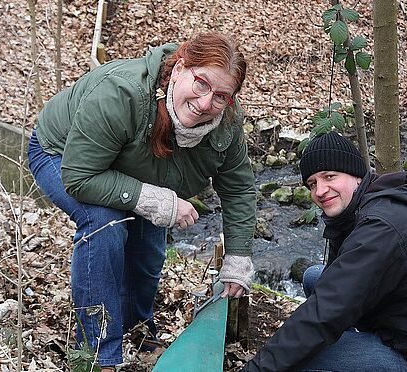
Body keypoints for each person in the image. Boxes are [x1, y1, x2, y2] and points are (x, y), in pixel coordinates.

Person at [27, 32, 256, 371]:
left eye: (221, 96)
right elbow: (80, 176)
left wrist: (238, 256)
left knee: (148, 245)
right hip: (62, 155)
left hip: (135, 168)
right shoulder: (122, 94)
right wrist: (151, 198)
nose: (207, 103)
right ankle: (98, 353)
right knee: (105, 221)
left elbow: (238, 189)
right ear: (179, 69)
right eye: (202, 84)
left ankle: (135, 323)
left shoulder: (226, 125)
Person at [243, 131, 407, 372]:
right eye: (312, 183)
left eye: (330, 176)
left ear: (356, 175)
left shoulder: (381, 226)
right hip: (405, 329)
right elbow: (332, 297)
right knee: (315, 276)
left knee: (299, 360)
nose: (320, 191)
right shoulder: (356, 211)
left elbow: (324, 311)